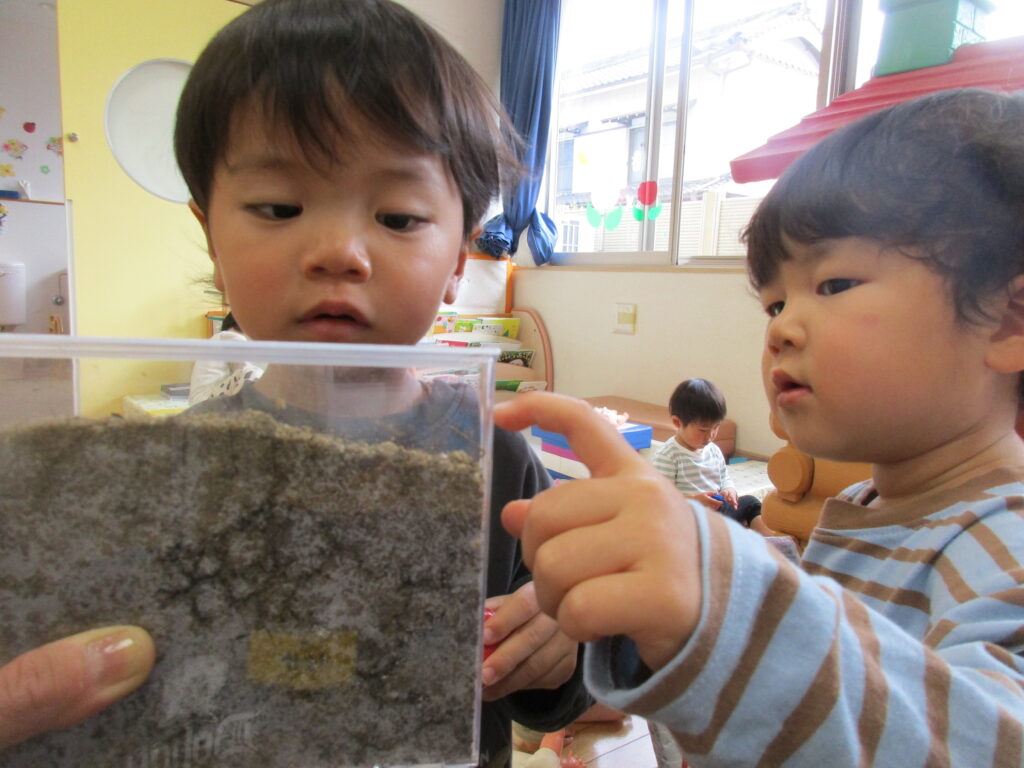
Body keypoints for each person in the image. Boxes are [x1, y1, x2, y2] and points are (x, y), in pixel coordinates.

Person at [0, 0, 589, 763]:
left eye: (399, 217)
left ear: (457, 261)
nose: (339, 251)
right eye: (279, 207)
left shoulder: (499, 461)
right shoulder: (177, 468)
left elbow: (553, 683)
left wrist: (557, 645)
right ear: (211, 240)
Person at [494, 88, 1024, 765]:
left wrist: (722, 599)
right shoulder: (868, 507)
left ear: (1006, 322)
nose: (781, 329)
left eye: (834, 285)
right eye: (774, 303)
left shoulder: (1007, 545)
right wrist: (632, 611)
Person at [650, 378, 764, 530]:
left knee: (750, 503)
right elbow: (661, 499)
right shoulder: (668, 455)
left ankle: (771, 541)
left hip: (717, 512)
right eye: (703, 430)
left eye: (715, 427)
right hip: (689, 518)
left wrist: (728, 490)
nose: (710, 436)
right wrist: (694, 500)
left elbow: (724, 478)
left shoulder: (713, 450)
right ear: (677, 423)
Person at [187, 311, 265, 405]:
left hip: (203, 401)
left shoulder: (220, 339)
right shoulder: (231, 337)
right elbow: (244, 369)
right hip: (207, 400)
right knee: (252, 373)